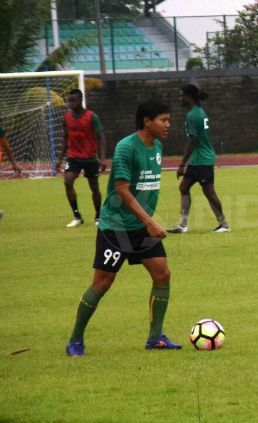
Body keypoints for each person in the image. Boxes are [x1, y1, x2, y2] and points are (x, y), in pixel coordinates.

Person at [65, 99, 182, 357]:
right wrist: (149, 221)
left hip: (140, 226)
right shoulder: (126, 148)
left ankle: (155, 337)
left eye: (168, 120)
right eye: (163, 120)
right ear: (146, 121)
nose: (168, 124)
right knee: (102, 282)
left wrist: (146, 221)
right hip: (116, 226)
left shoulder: (158, 146)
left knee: (162, 274)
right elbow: (121, 189)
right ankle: (75, 339)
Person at [166, 85, 230, 234]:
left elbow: (193, 140)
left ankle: (224, 225)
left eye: (182, 96)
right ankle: (182, 225)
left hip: (202, 159)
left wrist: (182, 164)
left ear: (190, 97)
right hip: (198, 159)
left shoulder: (193, 115)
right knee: (184, 187)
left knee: (209, 192)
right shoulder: (197, 112)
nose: (180, 99)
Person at [56, 89, 108, 227]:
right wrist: (60, 158)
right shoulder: (67, 117)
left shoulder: (92, 117)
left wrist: (102, 158)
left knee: (94, 188)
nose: (71, 103)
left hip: (90, 158)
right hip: (73, 157)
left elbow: (101, 137)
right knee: (68, 182)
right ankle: (77, 216)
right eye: (69, 100)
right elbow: (65, 138)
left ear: (80, 100)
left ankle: (98, 216)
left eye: (74, 100)